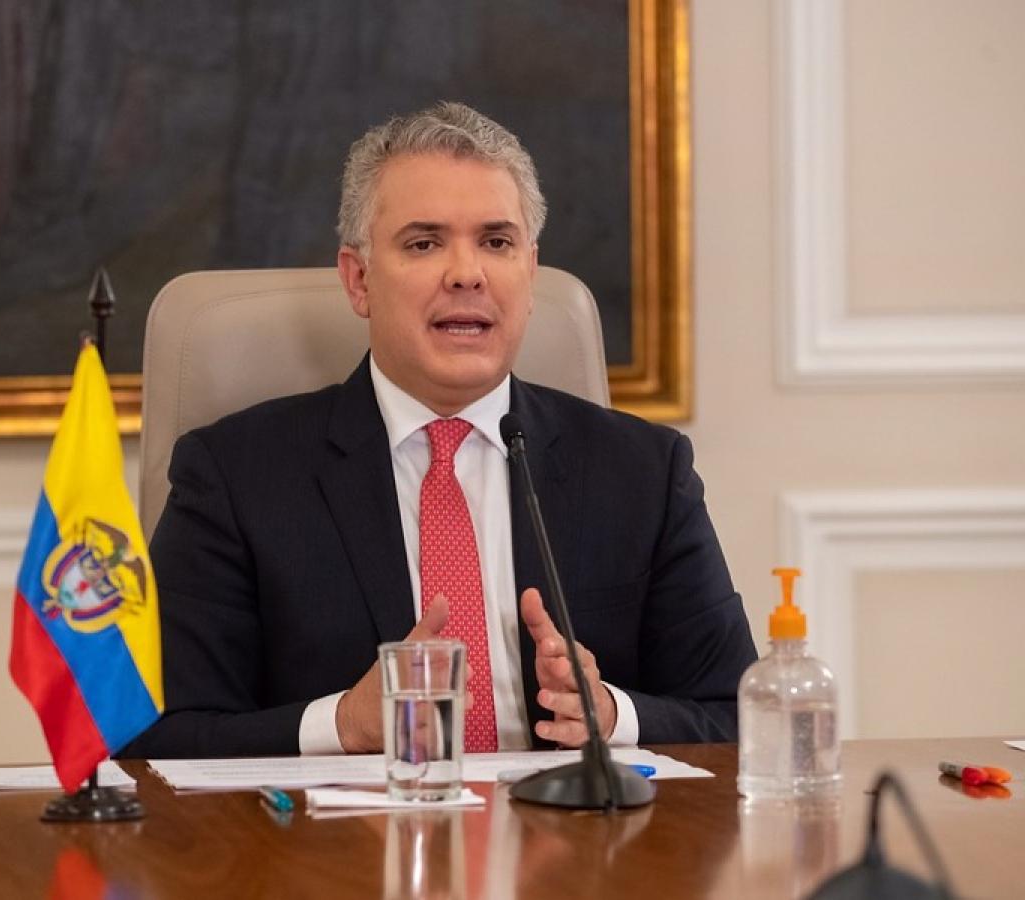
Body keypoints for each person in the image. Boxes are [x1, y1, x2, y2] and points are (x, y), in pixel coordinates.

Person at [123, 102, 756, 759]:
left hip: (575, 823)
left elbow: (738, 715)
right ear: (359, 280)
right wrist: (343, 726)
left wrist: (612, 714)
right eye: (424, 243)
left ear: (530, 272)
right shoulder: (236, 476)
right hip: (351, 826)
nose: (466, 273)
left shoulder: (642, 471)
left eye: (497, 242)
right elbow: (153, 738)